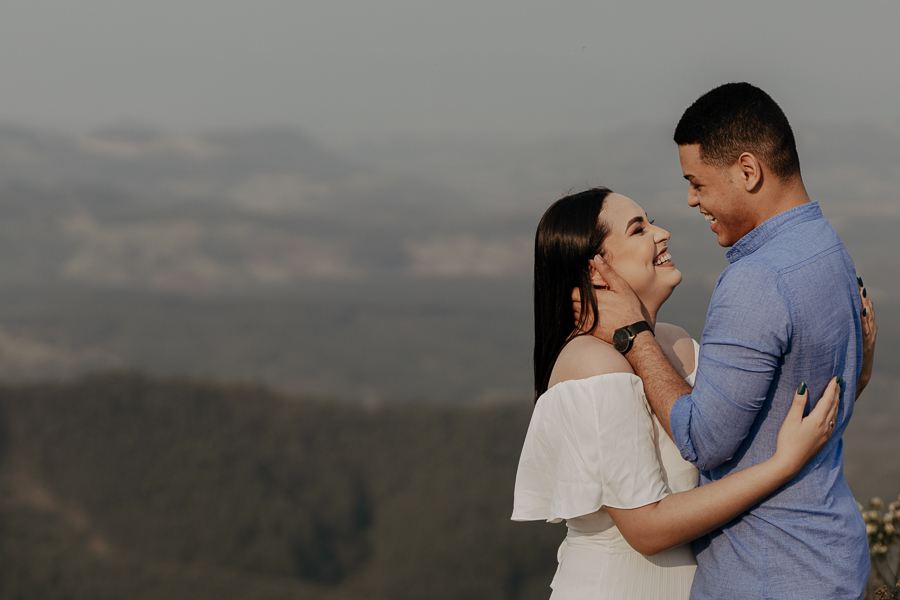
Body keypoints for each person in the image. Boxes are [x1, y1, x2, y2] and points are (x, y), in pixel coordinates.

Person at [586, 83, 875, 598]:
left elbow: (702, 440)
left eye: (696, 182)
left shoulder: (756, 280)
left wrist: (634, 335)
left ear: (748, 171)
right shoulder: (829, 247)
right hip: (831, 556)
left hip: (767, 571)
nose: (691, 200)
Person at [512, 187, 872, 598]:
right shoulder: (593, 365)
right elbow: (645, 528)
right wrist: (782, 466)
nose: (662, 233)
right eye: (639, 229)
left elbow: (734, 444)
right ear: (596, 270)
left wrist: (854, 374)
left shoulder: (676, 342)